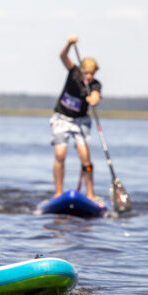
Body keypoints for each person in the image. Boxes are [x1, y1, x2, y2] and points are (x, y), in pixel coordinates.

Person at [50, 35, 102, 200]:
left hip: (81, 121)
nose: (88, 77)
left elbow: (96, 97)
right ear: (81, 70)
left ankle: (90, 193)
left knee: (85, 158)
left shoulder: (95, 84)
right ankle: (58, 192)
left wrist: (93, 99)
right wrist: (69, 44)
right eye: (86, 73)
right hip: (61, 118)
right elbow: (63, 57)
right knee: (60, 155)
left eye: (91, 74)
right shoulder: (73, 72)